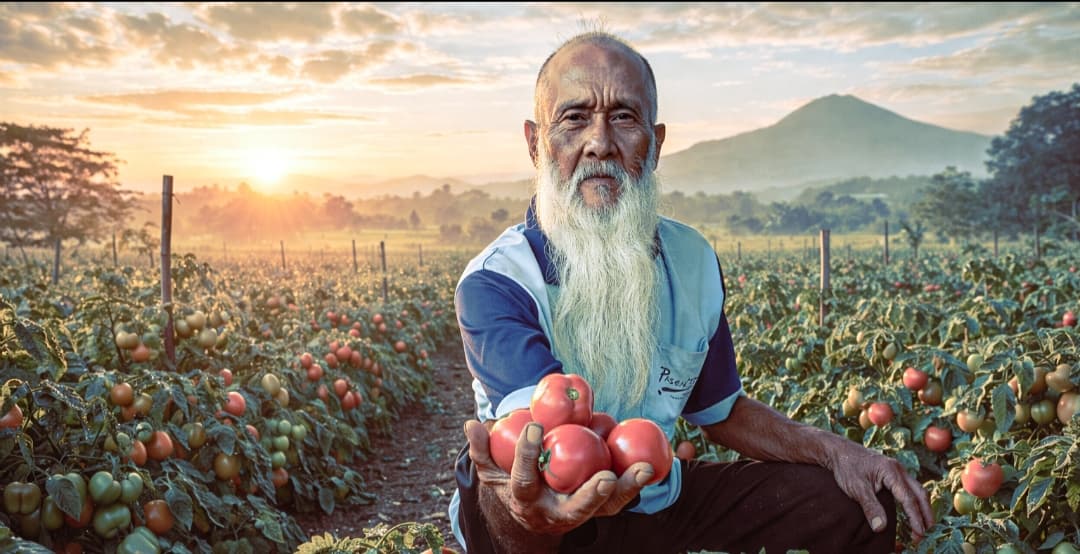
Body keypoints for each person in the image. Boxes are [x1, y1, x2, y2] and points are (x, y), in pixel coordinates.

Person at [448, 31, 933, 554]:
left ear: (655, 143)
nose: (600, 141)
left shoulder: (692, 259)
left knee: (848, 504)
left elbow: (720, 410)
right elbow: (544, 437)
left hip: (654, 498)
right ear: (534, 144)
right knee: (514, 489)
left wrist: (834, 451)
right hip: (538, 519)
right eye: (574, 118)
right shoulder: (498, 281)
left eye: (624, 117)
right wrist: (536, 502)